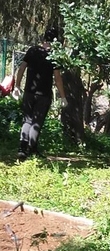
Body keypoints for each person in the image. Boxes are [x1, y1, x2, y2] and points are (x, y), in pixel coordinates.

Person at [12, 27, 68, 160]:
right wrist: (63, 96)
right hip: (43, 95)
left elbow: (21, 68)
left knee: (27, 120)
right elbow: (57, 78)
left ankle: (22, 148)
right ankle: (32, 150)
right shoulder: (54, 56)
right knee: (37, 122)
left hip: (29, 92)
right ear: (56, 42)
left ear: (43, 39)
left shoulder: (32, 51)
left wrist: (17, 86)